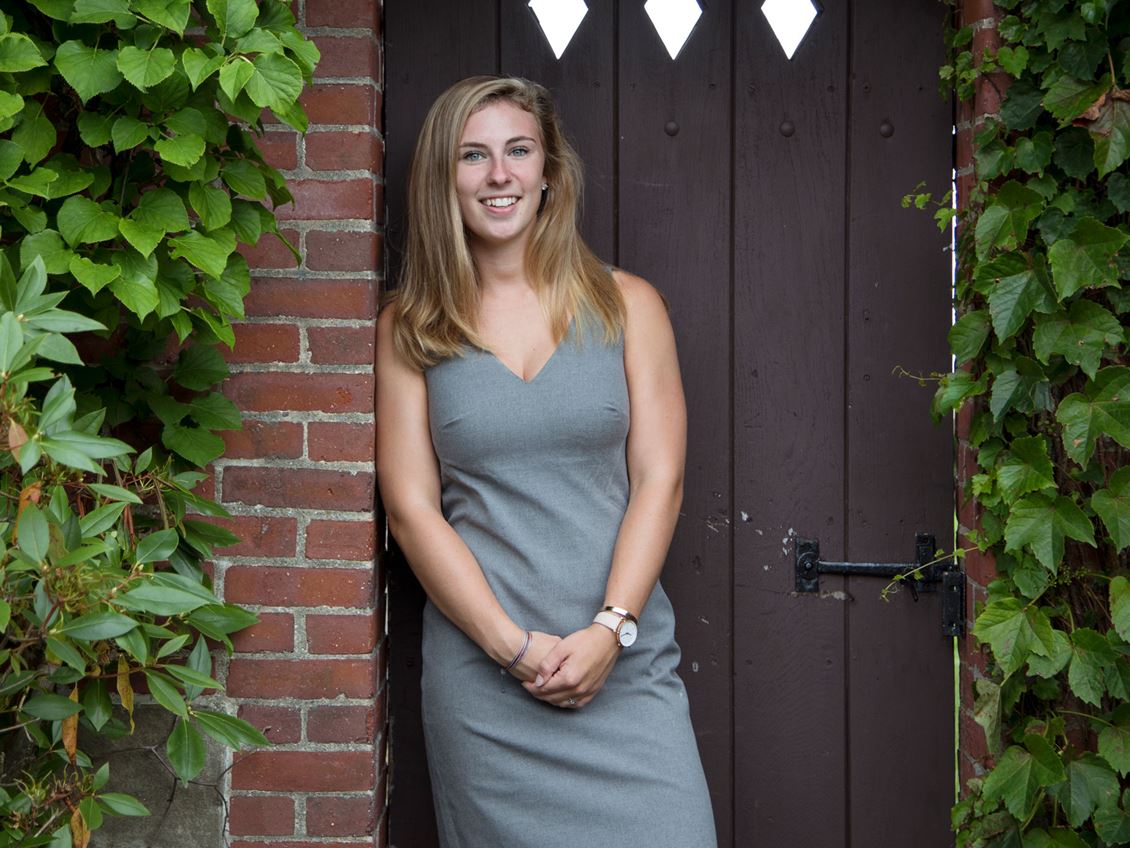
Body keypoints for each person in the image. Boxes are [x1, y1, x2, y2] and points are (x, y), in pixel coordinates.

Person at [376, 75, 717, 847]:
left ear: (549, 172)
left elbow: (660, 482)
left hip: (624, 669)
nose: (500, 175)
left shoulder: (629, 306)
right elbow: (410, 508)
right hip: (487, 685)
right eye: (474, 156)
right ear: (444, 179)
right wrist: (510, 647)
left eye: (518, 151)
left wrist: (609, 631)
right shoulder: (410, 327)